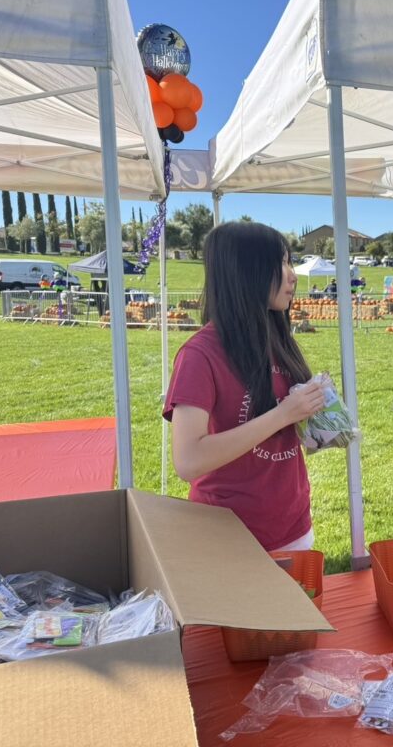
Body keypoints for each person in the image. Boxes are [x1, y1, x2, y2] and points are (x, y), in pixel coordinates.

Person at [163, 222, 326, 551]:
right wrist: (282, 415)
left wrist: (320, 418)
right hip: (226, 538)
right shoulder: (199, 355)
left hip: (293, 526)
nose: (292, 276)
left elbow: (288, 425)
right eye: (281, 263)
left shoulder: (276, 338)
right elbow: (188, 460)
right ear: (247, 271)